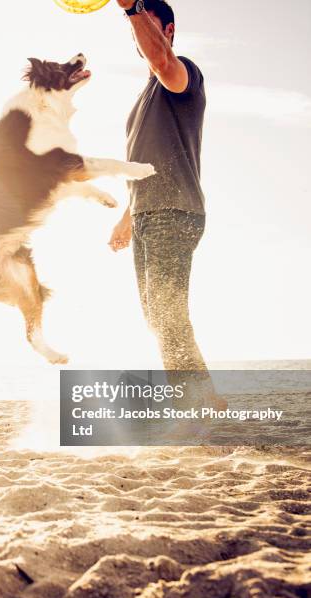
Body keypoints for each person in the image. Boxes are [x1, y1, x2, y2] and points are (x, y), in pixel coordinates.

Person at [109, 0, 225, 408]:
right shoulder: (142, 99)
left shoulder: (183, 72)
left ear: (169, 31)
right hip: (147, 213)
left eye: (147, 23)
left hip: (173, 211)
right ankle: (200, 400)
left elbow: (162, 60)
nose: (136, 30)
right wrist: (127, 216)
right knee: (157, 317)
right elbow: (145, 165)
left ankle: (199, 404)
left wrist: (133, 7)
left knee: (167, 313)